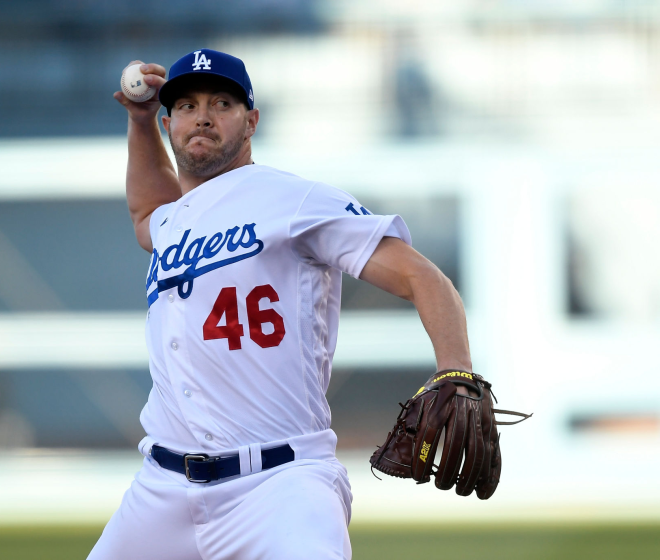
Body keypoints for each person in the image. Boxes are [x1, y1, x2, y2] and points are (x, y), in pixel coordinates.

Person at [87, 49, 472, 560]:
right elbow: (146, 212)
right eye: (186, 105)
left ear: (251, 122)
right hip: (163, 489)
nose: (202, 115)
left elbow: (420, 276)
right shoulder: (171, 220)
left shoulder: (292, 200)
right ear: (169, 121)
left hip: (280, 487)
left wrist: (457, 372)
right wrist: (139, 125)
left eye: (221, 103)